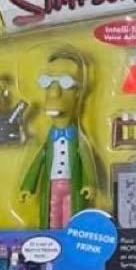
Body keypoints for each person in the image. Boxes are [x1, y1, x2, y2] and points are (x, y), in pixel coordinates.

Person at [19, 52, 95, 228]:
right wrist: (28, 186)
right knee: (52, 215)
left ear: (79, 93)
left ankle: (70, 238)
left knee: (72, 216)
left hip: (73, 186)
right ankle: (52, 239)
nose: (54, 92)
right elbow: (38, 162)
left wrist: (88, 184)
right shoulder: (49, 142)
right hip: (52, 186)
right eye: (47, 83)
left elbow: (85, 162)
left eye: (66, 83)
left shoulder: (78, 141)